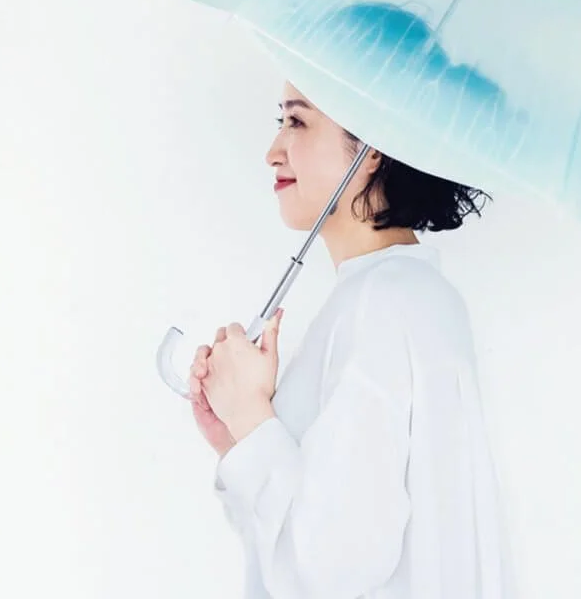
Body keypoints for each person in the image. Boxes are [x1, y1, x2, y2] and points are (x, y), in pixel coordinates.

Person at [187, 80, 520, 598]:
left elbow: (332, 568)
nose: (273, 151)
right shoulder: (400, 293)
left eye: (297, 121)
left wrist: (253, 420)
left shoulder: (384, 302)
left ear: (372, 149)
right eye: (281, 121)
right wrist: (237, 440)